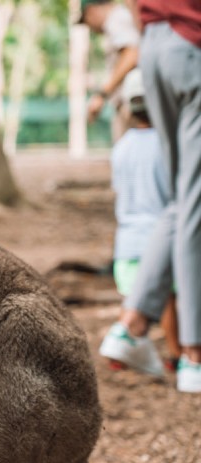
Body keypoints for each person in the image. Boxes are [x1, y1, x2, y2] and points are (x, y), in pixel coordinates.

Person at [100, 1, 201, 393]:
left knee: (182, 197)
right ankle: (195, 355)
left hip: (155, 44)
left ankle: (132, 325)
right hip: (192, 41)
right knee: (193, 200)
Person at [100, 68, 179, 377]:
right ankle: (176, 354)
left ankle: (125, 343)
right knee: (170, 300)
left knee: (134, 297)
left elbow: (121, 191)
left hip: (127, 238)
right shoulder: (167, 146)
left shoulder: (121, 148)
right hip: (158, 238)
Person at [77, 0, 140, 141]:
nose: (90, 27)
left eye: (86, 21)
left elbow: (132, 53)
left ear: (91, 11)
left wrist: (102, 93)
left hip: (133, 103)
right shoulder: (118, 19)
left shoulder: (116, 19)